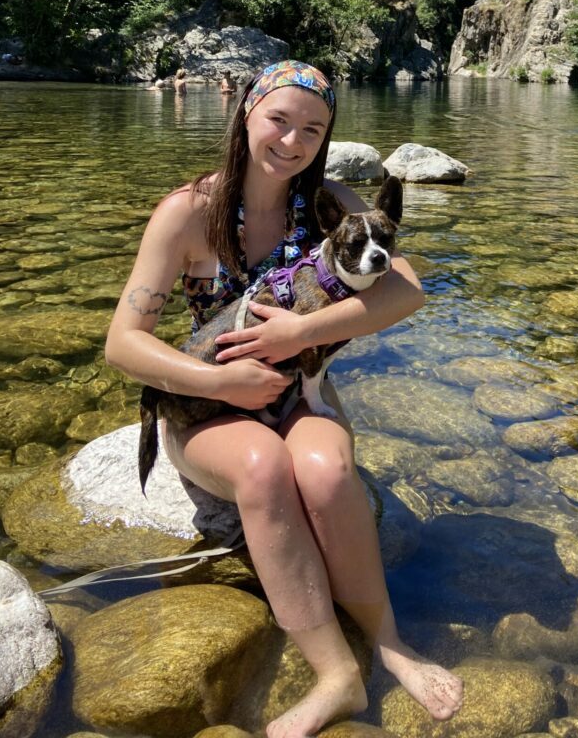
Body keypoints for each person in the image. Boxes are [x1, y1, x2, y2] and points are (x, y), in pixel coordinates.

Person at [106, 60, 463, 738]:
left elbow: (409, 291)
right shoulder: (188, 212)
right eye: (279, 119)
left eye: (313, 129)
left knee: (326, 472)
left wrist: (304, 330)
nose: (292, 142)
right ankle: (336, 676)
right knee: (264, 469)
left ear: (326, 138)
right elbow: (123, 343)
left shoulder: (328, 205)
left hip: (295, 393)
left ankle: (389, 641)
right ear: (246, 113)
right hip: (207, 401)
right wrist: (218, 381)